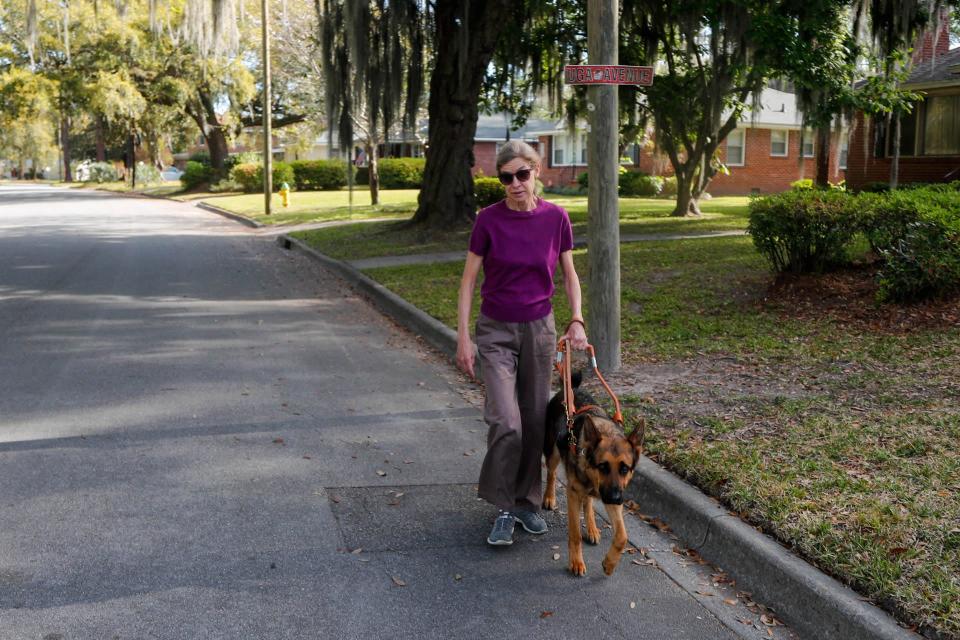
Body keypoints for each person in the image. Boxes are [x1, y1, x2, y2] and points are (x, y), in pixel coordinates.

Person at [456, 140, 588, 546]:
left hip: (539, 329)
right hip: (496, 330)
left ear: (536, 172)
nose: (515, 183)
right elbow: (468, 281)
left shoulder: (556, 219)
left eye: (522, 174)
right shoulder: (488, 221)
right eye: (506, 177)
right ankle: (503, 507)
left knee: (533, 420)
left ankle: (527, 503)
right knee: (506, 422)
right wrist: (464, 336)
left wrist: (577, 320)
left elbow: (568, 274)